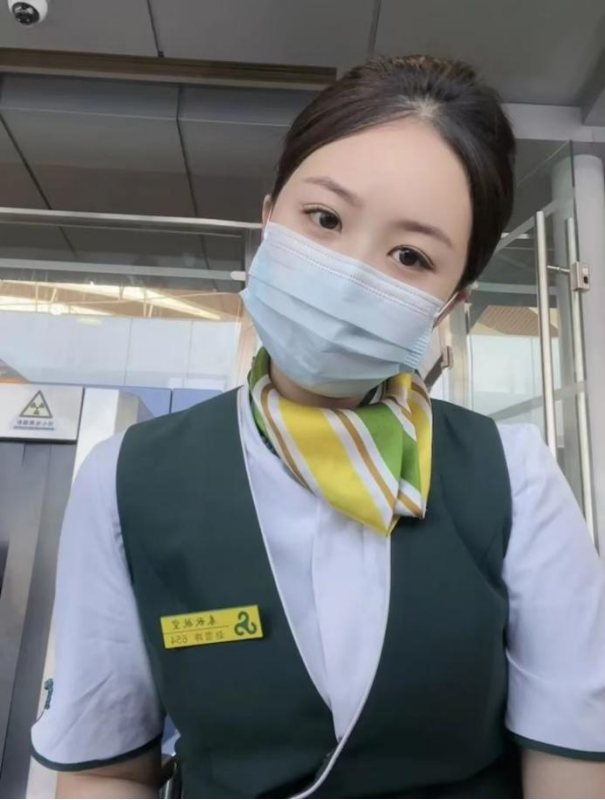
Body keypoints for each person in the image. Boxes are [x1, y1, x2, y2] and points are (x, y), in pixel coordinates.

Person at [32, 55, 605, 800]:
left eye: (410, 256)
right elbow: (105, 771)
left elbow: (570, 766)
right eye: (325, 219)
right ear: (269, 217)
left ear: (451, 303)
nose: (349, 273)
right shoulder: (127, 478)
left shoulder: (514, 477)